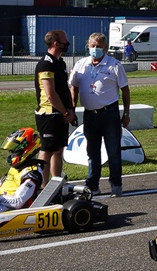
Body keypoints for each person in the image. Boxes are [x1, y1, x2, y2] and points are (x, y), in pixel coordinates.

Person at [70, 32, 132, 197]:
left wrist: (126, 113)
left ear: (105, 47)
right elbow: (74, 88)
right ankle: (92, 185)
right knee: (92, 151)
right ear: (88, 46)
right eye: (92, 46)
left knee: (113, 151)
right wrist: (72, 109)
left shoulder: (114, 65)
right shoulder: (81, 64)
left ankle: (116, 185)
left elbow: (125, 91)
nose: (95, 49)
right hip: (90, 114)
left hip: (109, 114)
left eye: (98, 46)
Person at [34, 30, 78, 182]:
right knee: (47, 150)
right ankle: (41, 186)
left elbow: (64, 89)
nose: (67, 43)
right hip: (49, 114)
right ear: (56, 43)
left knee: (58, 150)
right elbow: (50, 94)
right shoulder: (46, 64)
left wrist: (71, 110)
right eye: (65, 41)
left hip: (62, 113)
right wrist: (65, 113)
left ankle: (56, 184)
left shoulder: (60, 62)